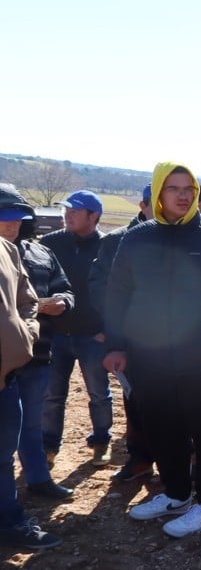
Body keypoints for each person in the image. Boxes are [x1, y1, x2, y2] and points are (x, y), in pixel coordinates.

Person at [103, 162, 201, 538]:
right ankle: (176, 493)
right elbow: (118, 293)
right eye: (173, 188)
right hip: (150, 359)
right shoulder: (138, 239)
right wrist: (118, 344)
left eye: (188, 187)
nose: (183, 194)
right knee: (162, 430)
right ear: (158, 194)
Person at [1, 211, 61, 549]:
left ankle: (9, 520)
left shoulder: (9, 252)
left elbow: (26, 302)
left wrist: (26, 335)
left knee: (4, 452)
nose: (11, 225)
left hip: (9, 372)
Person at [39, 189, 112, 466]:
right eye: (66, 210)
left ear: (93, 216)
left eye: (75, 211)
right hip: (56, 335)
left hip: (93, 335)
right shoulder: (50, 243)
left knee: (98, 394)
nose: (67, 215)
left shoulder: (108, 247)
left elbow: (118, 292)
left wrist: (108, 330)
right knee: (52, 395)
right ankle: (49, 447)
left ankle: (101, 441)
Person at [90, 185, 156, 482]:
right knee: (136, 401)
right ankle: (140, 459)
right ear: (143, 205)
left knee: (178, 404)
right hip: (132, 339)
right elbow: (101, 290)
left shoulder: (185, 239)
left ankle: (176, 468)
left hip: (176, 339)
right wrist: (113, 331)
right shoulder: (118, 241)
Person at [12, 203, 76, 501]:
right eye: (4, 216)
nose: (11, 223)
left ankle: (37, 478)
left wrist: (63, 301)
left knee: (32, 423)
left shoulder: (41, 253)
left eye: (17, 217)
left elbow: (64, 288)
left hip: (37, 355)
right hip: (3, 362)